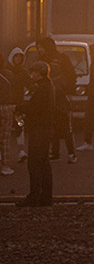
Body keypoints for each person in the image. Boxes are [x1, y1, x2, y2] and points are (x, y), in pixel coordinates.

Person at [18, 60, 56, 206]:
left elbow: (35, 108)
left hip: (39, 129)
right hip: (46, 129)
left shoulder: (42, 89)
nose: (31, 74)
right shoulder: (49, 86)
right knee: (44, 163)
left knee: (34, 163)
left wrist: (21, 107)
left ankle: (34, 196)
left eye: (33, 72)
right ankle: (46, 197)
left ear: (39, 73)